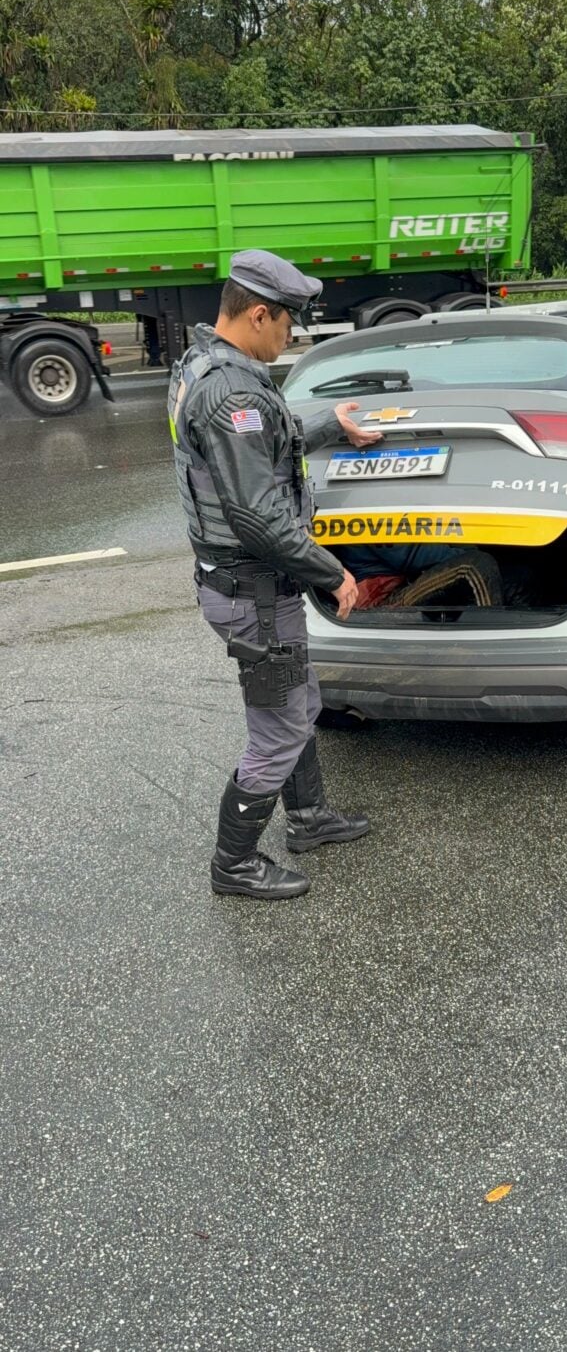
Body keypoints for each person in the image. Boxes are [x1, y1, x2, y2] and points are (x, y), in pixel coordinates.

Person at [168, 249, 381, 901]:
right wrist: (332, 572)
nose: (290, 336)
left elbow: (264, 441)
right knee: (280, 729)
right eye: (287, 323)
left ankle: (309, 818)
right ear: (258, 313)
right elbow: (258, 514)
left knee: (300, 700)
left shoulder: (206, 363)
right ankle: (232, 865)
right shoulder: (230, 390)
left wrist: (328, 423)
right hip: (254, 592)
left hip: (256, 587)